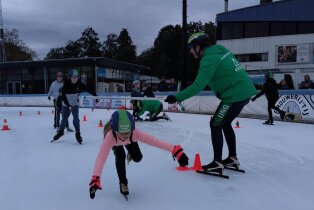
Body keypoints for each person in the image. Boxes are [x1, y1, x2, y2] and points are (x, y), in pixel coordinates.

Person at [165, 32, 256, 174]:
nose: (190, 51)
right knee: (224, 123)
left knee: (215, 123)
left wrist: (177, 97)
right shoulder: (220, 51)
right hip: (244, 91)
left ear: (199, 47)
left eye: (191, 47)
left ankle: (217, 163)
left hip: (234, 95)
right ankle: (232, 158)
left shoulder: (208, 59)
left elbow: (198, 85)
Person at [88, 109, 188, 199]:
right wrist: (96, 177)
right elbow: (101, 158)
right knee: (120, 156)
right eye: (122, 133)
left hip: (130, 141)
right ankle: (123, 182)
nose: (126, 136)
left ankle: (130, 152)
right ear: (115, 130)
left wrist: (175, 150)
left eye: (128, 132)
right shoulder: (110, 138)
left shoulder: (134, 133)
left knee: (138, 158)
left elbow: (154, 141)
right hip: (116, 143)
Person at [52, 69, 98, 144]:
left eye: (76, 77)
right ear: (70, 77)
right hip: (66, 105)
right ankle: (61, 132)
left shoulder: (80, 84)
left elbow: (88, 89)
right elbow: (63, 96)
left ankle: (78, 133)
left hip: (74, 105)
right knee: (64, 120)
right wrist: (68, 105)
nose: (74, 79)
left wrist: (95, 95)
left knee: (76, 119)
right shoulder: (66, 84)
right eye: (73, 77)